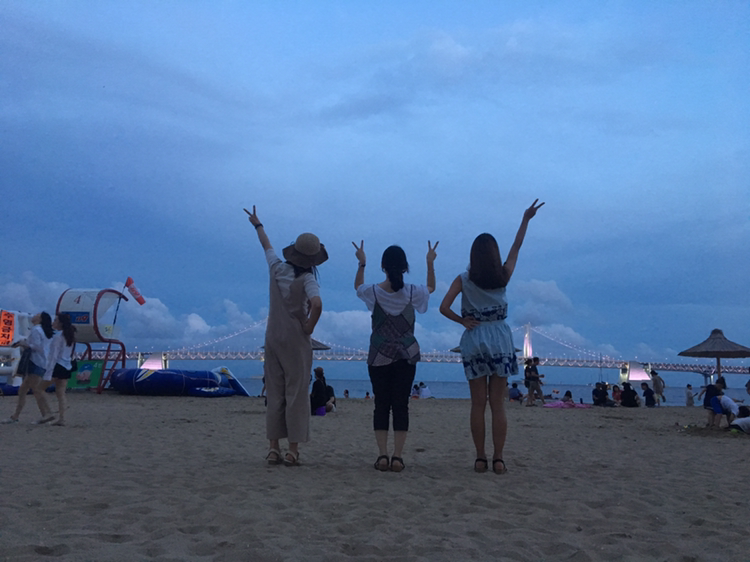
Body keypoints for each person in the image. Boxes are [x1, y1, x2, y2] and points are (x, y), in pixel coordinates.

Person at [440, 199, 544, 475]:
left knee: (478, 404)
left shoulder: (463, 279)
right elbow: (516, 248)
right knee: (498, 405)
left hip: (474, 338)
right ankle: (498, 459)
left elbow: (443, 307)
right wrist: (525, 219)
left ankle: (479, 458)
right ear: (494, 255)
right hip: (500, 338)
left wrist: (462, 320)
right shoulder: (503, 275)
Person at [245, 206, 327, 467]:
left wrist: (258, 224)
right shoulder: (308, 280)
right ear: (313, 260)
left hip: (273, 337)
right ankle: (292, 451)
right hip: (296, 341)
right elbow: (317, 304)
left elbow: (266, 246)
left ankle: (273, 448)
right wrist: (309, 327)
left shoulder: (276, 268)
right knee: (297, 394)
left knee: (275, 393)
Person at [353, 240, 437, 472]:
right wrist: (430, 262)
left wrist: (362, 262)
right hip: (405, 357)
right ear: (405, 267)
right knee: (401, 405)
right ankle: (397, 457)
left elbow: (357, 286)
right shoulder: (413, 292)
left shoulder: (373, 292)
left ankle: (382, 456)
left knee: (381, 404)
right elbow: (431, 287)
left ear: (383, 267)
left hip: (378, 355)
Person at [1, 312, 55, 425]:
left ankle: (48, 413)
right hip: (40, 362)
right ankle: (16, 416)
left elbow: (36, 347)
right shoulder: (42, 331)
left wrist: (23, 344)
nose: (34, 316)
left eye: (37, 315)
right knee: (23, 390)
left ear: (40, 319)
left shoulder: (36, 330)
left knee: (36, 390)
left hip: (35, 362)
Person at [43, 313, 77, 426]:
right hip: (66, 366)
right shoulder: (69, 336)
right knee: (61, 393)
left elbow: (53, 356)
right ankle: (62, 418)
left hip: (58, 366)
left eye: (56, 320)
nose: (53, 322)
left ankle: (49, 412)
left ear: (60, 323)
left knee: (39, 389)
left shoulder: (58, 337)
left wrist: (48, 372)